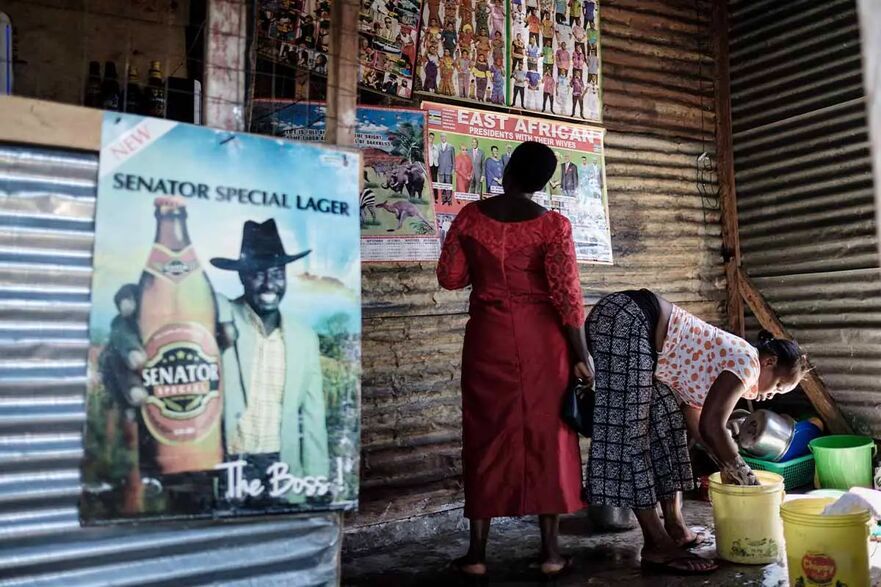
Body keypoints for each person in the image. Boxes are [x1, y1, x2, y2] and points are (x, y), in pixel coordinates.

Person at [437, 142, 592, 579]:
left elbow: (450, 278)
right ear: (543, 184)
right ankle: (550, 554)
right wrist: (581, 356)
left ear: (506, 171)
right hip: (543, 341)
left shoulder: (470, 217)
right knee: (549, 435)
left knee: (485, 433)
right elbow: (568, 295)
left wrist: (481, 272)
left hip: (488, 337)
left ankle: (476, 555)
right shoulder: (553, 226)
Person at [103, 219, 329, 505]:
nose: (269, 283)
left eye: (276, 273)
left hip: (284, 473)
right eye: (257, 274)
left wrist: (318, 484)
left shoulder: (304, 337)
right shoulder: (219, 313)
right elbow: (177, 308)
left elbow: (313, 420)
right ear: (242, 277)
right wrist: (142, 309)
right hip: (225, 471)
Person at [584, 290, 806, 575]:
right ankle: (656, 544)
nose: (771, 396)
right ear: (769, 362)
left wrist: (726, 463)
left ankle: (675, 527)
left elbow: (701, 429)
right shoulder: (747, 362)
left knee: (670, 430)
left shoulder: (722, 372)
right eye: (777, 386)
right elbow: (713, 427)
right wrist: (741, 470)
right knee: (631, 437)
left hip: (636, 332)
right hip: (624, 318)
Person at [437, 133, 455, 202]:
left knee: (449, 185)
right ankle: (443, 199)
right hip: (440, 169)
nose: (443, 138)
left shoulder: (451, 146)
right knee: (442, 185)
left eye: (444, 136)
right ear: (440, 138)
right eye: (441, 137)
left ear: (446, 137)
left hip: (449, 169)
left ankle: (449, 200)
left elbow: (453, 159)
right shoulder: (437, 146)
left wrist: (453, 168)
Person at [429, 133, 440, 201]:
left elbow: (437, 156)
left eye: (433, 138)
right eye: (430, 137)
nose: (431, 139)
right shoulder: (426, 146)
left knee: (435, 181)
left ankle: (435, 198)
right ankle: (429, 197)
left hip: (435, 166)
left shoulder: (435, 147)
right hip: (429, 165)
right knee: (429, 181)